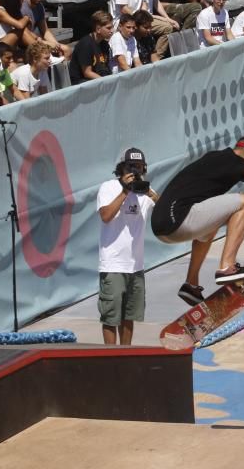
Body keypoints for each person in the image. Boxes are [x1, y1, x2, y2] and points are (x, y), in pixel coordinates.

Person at [152, 136, 244, 305]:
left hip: (161, 226)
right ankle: (227, 267)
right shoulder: (237, 160)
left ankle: (191, 284)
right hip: (181, 220)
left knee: (211, 225)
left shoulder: (215, 158)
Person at [97, 147, 157, 345]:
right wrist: (125, 191)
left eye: (139, 167)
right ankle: (109, 358)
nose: (136, 171)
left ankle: (125, 354)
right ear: (122, 168)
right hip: (113, 265)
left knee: (128, 315)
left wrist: (150, 193)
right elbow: (105, 216)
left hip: (136, 266)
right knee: (110, 316)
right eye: (131, 166)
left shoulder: (146, 193)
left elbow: (165, 211)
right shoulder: (108, 187)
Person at [69, 10, 112, 85]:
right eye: (108, 28)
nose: (112, 31)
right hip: (82, 83)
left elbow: (105, 67)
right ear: (98, 29)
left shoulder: (105, 44)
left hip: (99, 80)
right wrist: (106, 82)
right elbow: (87, 73)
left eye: (112, 27)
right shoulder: (85, 45)